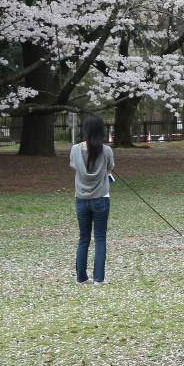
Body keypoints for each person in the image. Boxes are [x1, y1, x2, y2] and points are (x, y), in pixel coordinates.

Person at [70, 113, 114, 283]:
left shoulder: (75, 149)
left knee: (84, 238)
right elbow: (109, 167)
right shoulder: (106, 150)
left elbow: (73, 165)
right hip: (101, 197)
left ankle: (81, 277)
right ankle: (98, 278)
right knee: (100, 238)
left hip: (81, 198)